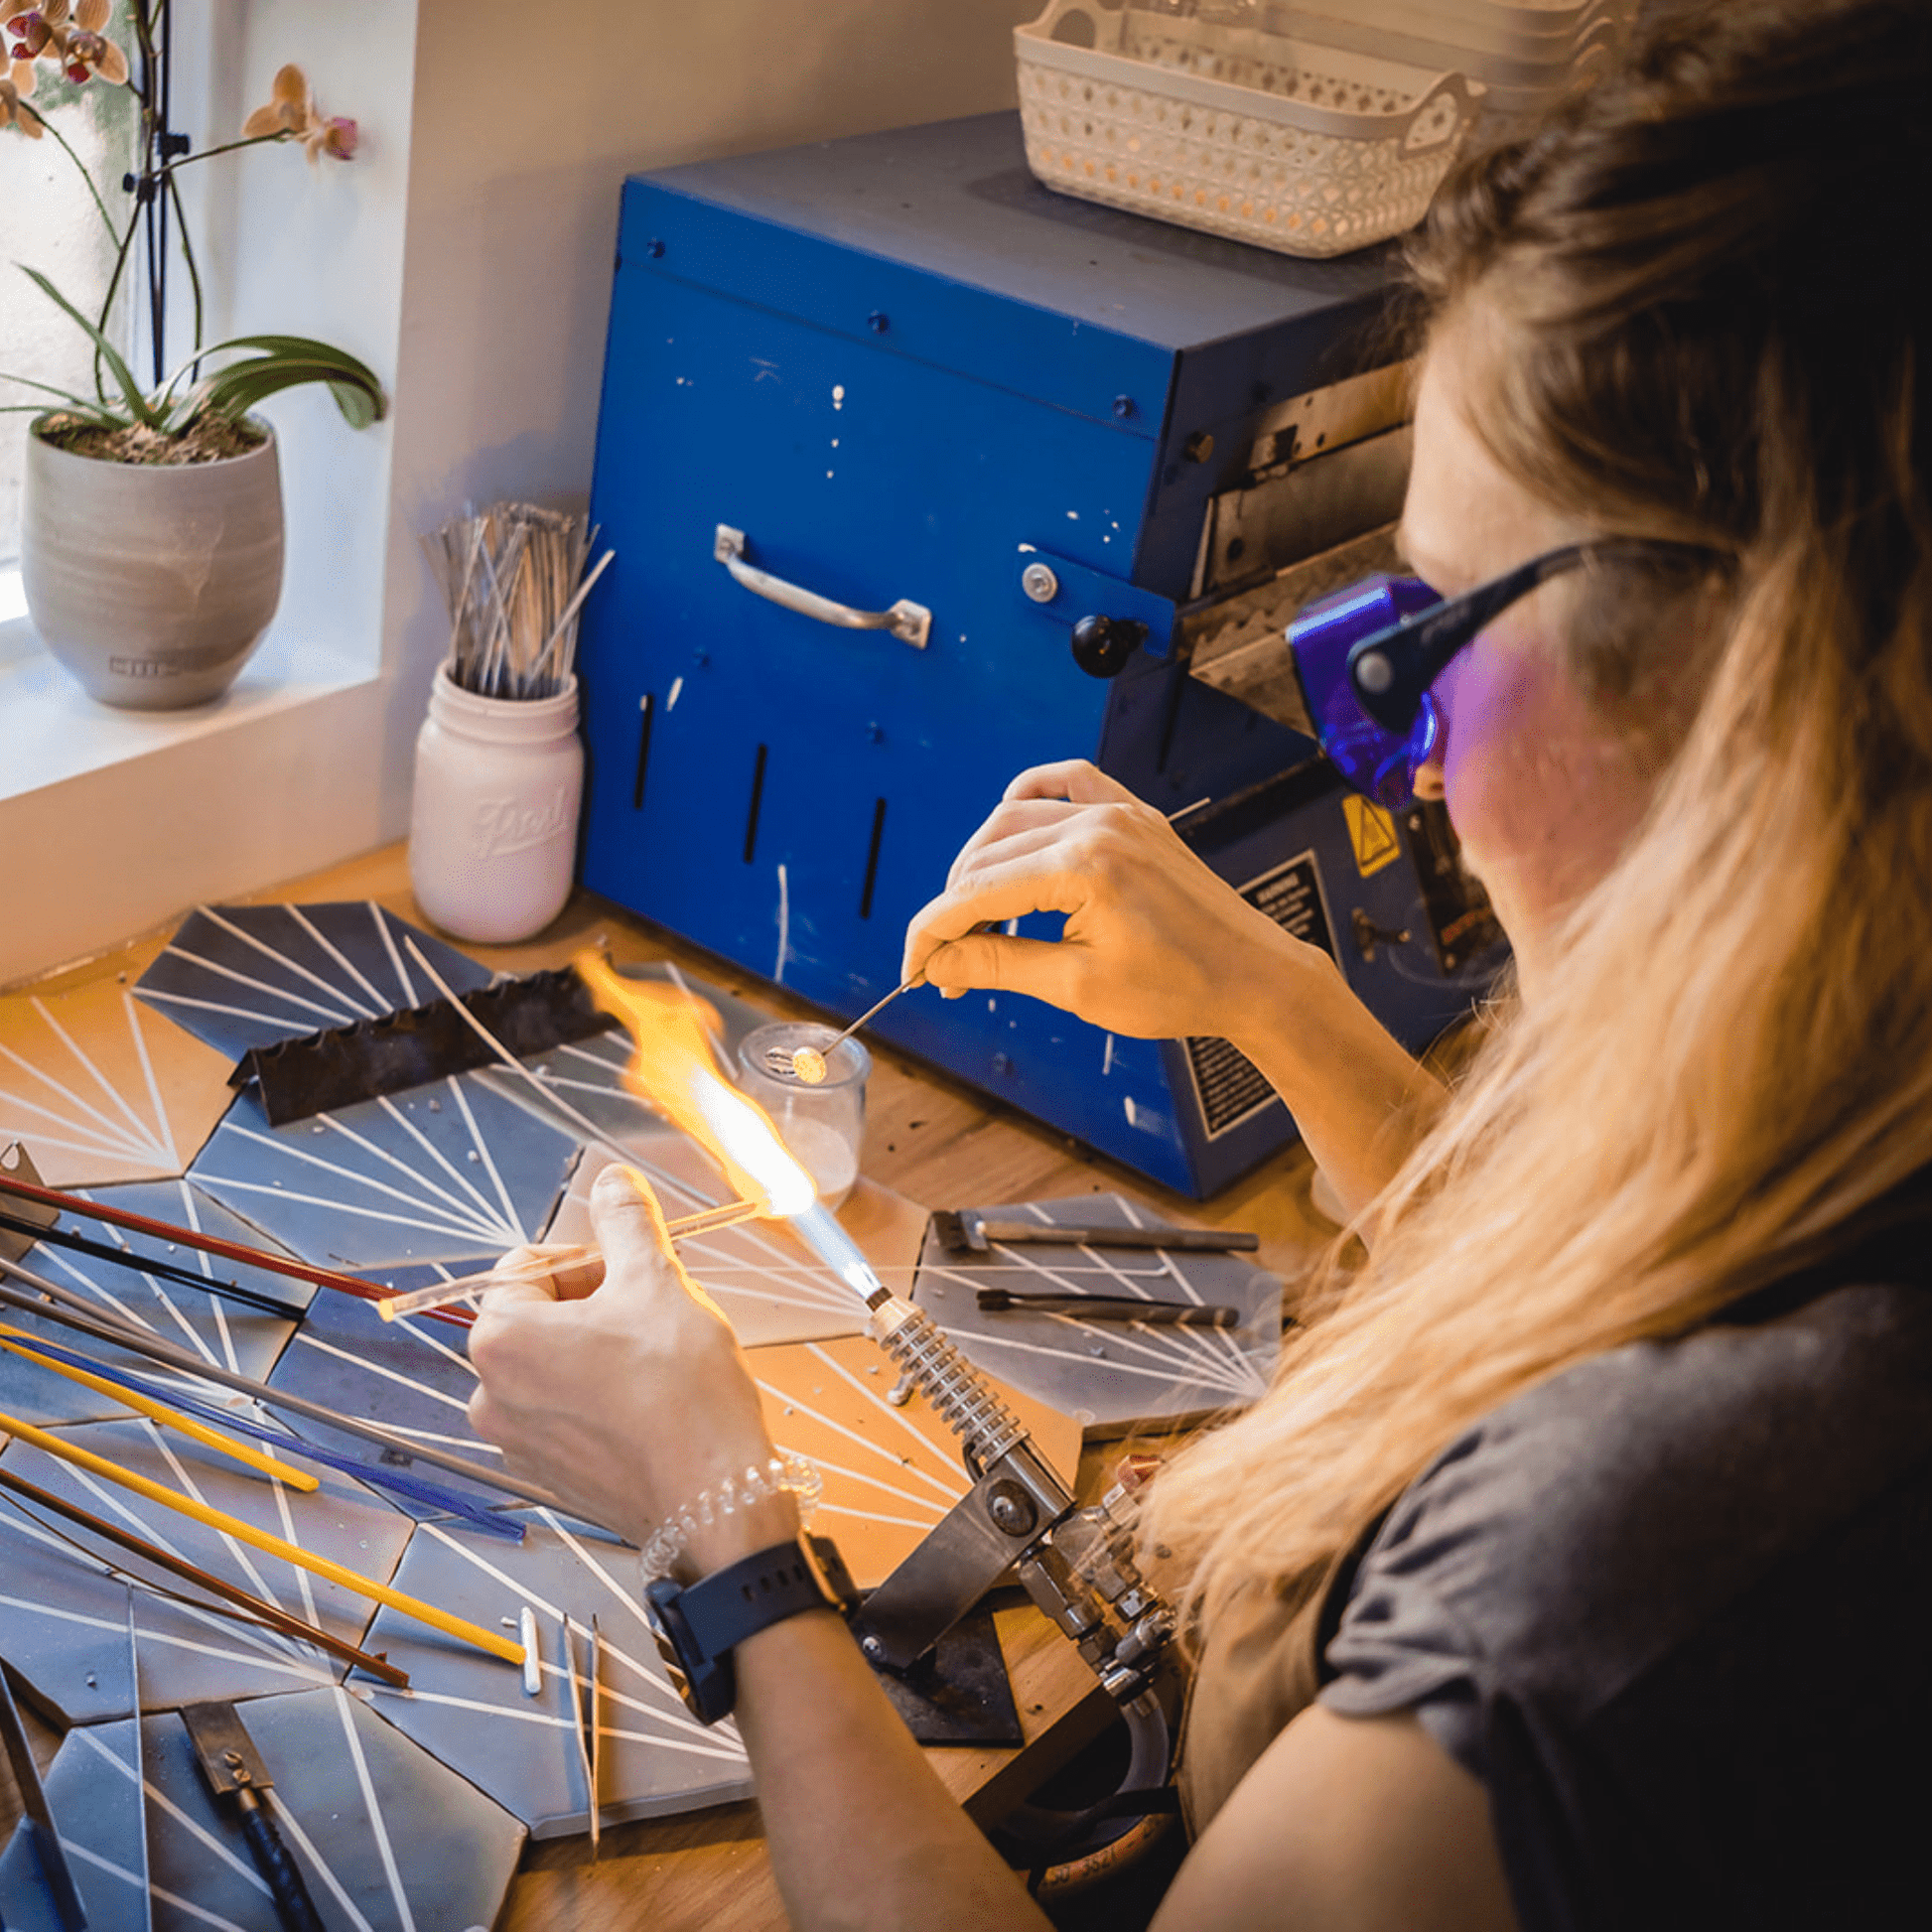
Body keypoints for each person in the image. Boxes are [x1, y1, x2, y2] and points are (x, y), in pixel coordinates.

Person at [465, 2, 1932, 1924]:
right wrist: (1282, 1002)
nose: (1380, 757)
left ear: (1756, 711)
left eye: (1414, 649)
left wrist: (726, 1536)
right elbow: (1591, 1317)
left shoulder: (1579, 1613)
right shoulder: (1829, 1169)